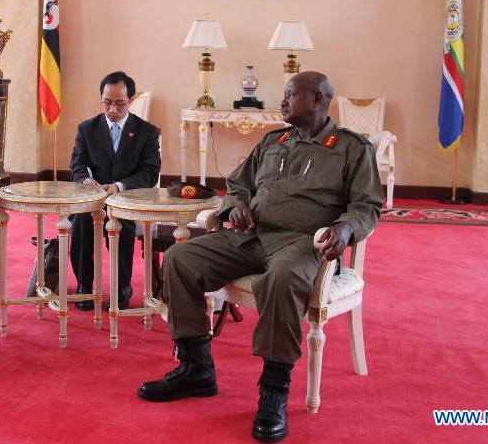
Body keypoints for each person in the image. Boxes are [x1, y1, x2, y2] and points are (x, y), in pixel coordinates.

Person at [137, 72, 383, 443]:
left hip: (303, 244)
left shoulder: (351, 148)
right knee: (179, 258)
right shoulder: (274, 141)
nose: (282, 102)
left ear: (317, 100)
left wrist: (346, 228)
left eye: (290, 95)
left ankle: (273, 392)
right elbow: (239, 184)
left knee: (281, 280)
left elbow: (367, 206)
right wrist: (235, 205)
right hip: (252, 238)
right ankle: (196, 369)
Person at [69, 71, 161, 310]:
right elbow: (77, 165)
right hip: (93, 198)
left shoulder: (147, 132)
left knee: (121, 227)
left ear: (131, 100)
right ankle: (84, 287)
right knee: (81, 221)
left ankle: (121, 287)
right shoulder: (87, 128)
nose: (112, 109)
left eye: (119, 103)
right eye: (107, 102)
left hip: (127, 200)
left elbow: (150, 172)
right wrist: (85, 181)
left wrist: (118, 187)